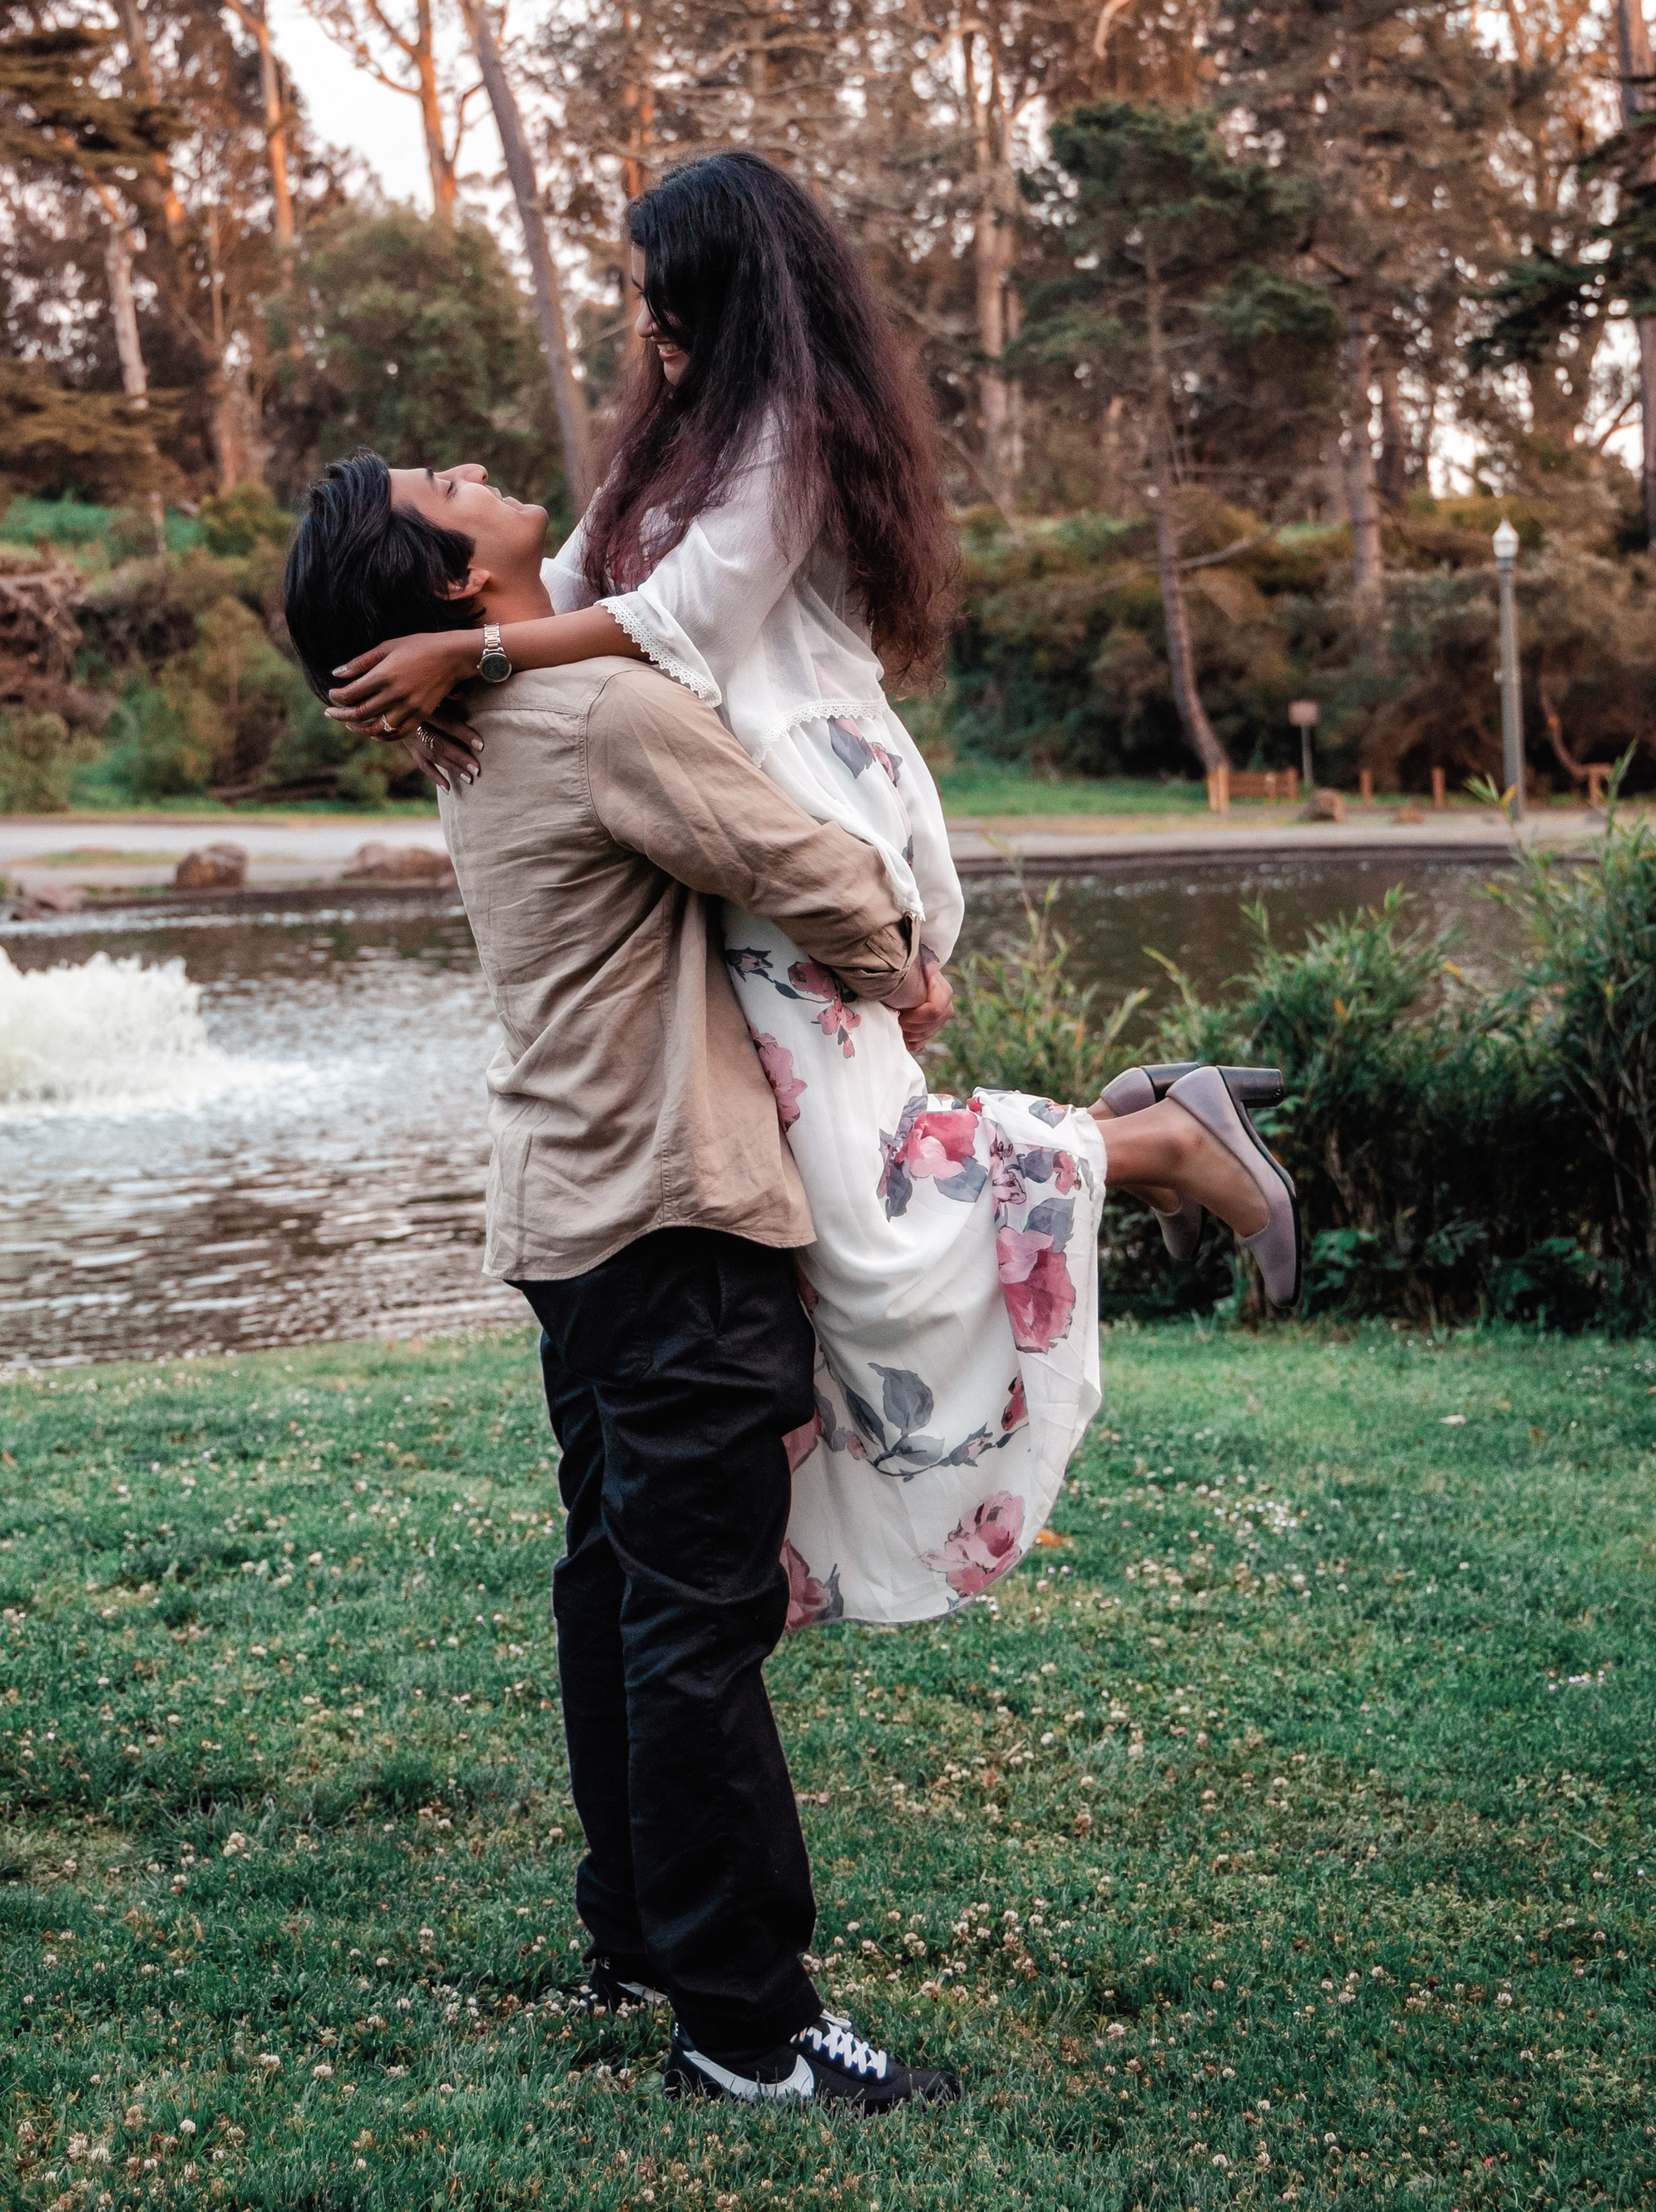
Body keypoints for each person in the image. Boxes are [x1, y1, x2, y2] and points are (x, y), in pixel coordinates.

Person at [320, 155, 1298, 1628]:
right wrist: (449, 656)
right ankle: (1138, 1131)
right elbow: (569, 582)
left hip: (802, 810)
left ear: (728, 289)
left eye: (664, 292)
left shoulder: (788, 435)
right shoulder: (665, 444)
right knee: (844, 1184)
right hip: (722, 839)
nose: (646, 320)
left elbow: (668, 622)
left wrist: (470, 657)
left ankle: (1156, 1145)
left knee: (865, 1195)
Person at [283, 452, 963, 2111]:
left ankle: (642, 1936)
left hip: (567, 1217)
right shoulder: (594, 721)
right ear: (454, 582)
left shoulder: (475, 729)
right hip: (668, 1216)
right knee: (693, 1628)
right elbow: (798, 861)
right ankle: (746, 2025)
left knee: (619, 1592)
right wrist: (900, 958)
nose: (478, 466)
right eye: (443, 484)